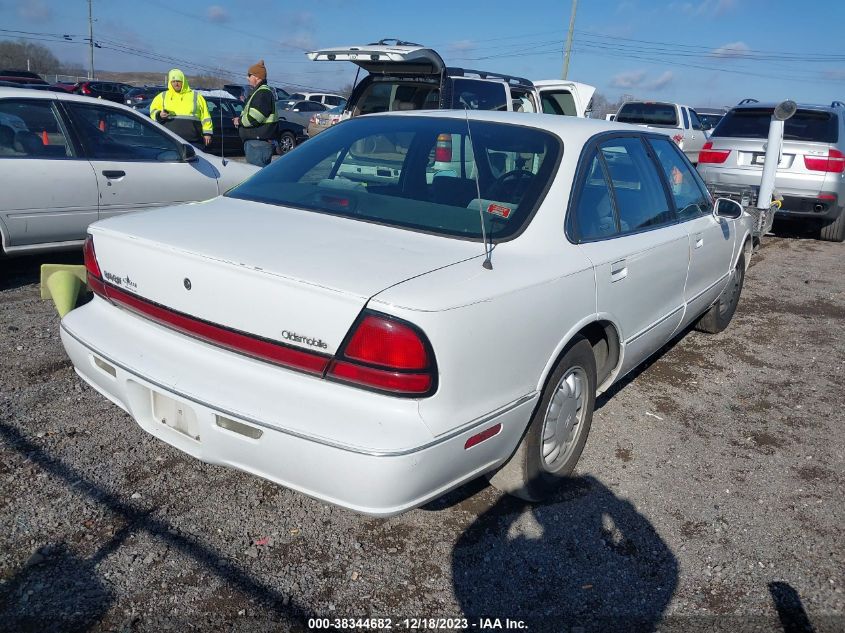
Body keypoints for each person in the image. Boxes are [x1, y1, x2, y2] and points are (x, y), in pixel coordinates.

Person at [149, 69, 212, 148]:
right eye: (173, 81)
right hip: (169, 140)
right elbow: (152, 111)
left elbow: (205, 116)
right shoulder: (163, 96)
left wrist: (207, 133)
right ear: (170, 82)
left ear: (183, 81)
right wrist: (159, 115)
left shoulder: (196, 96)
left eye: (178, 81)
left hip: (193, 141)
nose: (176, 84)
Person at [233, 60, 277, 167]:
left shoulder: (263, 93)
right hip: (256, 144)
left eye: (250, 75)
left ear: (257, 77)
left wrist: (239, 121)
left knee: (256, 176)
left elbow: (254, 118)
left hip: (258, 145)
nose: (247, 78)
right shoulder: (259, 92)